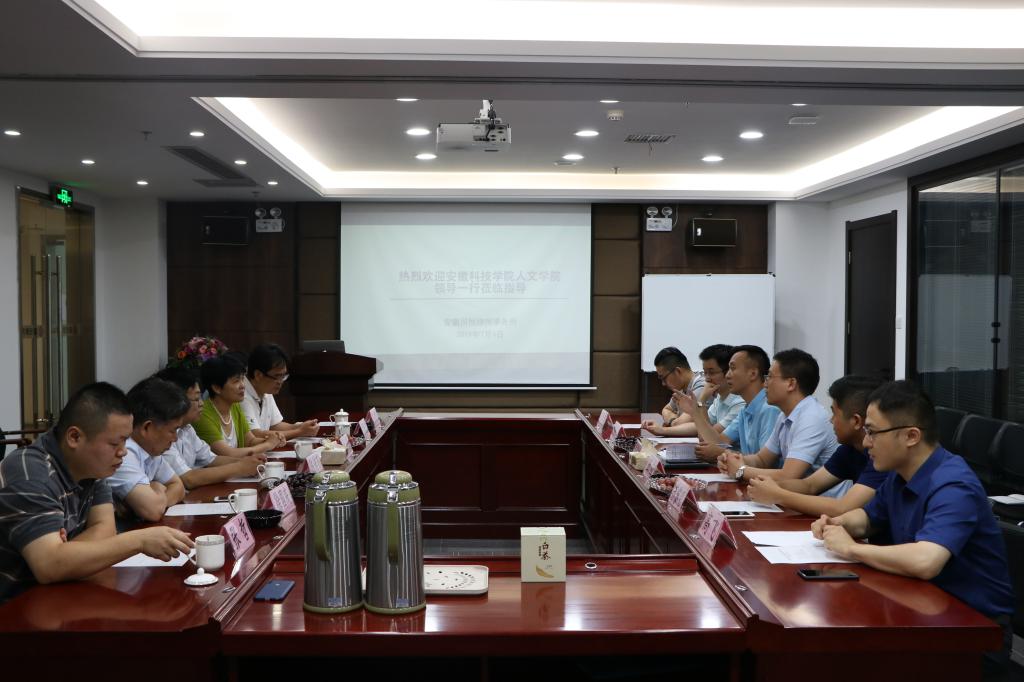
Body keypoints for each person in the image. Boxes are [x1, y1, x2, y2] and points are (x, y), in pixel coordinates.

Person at [813, 380, 1013, 675]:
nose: (866, 442)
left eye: (873, 432)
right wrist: (837, 523)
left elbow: (925, 561)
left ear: (911, 436)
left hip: (971, 634)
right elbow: (868, 518)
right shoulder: (900, 474)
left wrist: (851, 549)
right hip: (920, 607)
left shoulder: (954, 485)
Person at [0, 382, 194, 603]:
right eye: (115, 443)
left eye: (125, 441)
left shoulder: (94, 466)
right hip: (15, 605)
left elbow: (105, 529)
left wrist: (64, 552)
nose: (123, 452)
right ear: (74, 437)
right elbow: (49, 566)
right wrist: (139, 541)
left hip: (62, 591)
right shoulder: (30, 474)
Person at [748, 374, 887, 515]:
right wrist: (767, 485)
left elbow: (842, 508)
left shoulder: (882, 457)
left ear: (856, 421)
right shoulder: (849, 449)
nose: (831, 420)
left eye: (834, 413)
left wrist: (778, 495)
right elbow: (810, 485)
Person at [714, 349, 840, 491]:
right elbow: (762, 459)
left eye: (770, 377)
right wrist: (734, 460)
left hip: (819, 503)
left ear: (791, 384)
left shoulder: (811, 418)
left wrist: (741, 470)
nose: (765, 384)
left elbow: (788, 476)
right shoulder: (785, 415)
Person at [154, 367, 263, 489]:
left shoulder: (188, 428)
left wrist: (248, 462)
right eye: (196, 399)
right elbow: (188, 479)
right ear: (175, 401)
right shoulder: (161, 434)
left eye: (200, 397)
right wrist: (239, 467)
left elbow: (211, 459)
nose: (201, 403)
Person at [675, 345, 781, 462]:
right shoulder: (746, 409)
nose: (727, 375)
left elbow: (764, 463)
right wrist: (696, 412)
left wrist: (724, 453)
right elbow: (718, 442)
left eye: (732, 369)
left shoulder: (770, 409)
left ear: (753, 374)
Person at [108, 377, 189, 521]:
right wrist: (157, 488)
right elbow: (152, 511)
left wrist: (157, 497)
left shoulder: (150, 451)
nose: (175, 438)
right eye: (172, 430)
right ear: (147, 427)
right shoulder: (123, 452)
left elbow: (179, 487)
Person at [194, 354, 285, 458]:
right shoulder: (202, 414)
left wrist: (271, 439)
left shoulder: (234, 406)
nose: (242, 385)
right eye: (236, 381)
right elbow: (229, 454)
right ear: (216, 388)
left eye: (242, 379)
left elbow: (250, 441)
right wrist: (268, 444)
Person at [644, 344, 743, 437]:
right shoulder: (718, 400)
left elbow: (705, 436)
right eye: (705, 372)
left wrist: (701, 401)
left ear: (728, 373)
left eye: (711, 373)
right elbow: (701, 429)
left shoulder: (738, 404)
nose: (707, 378)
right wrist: (662, 430)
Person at [241, 343, 318, 440]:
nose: (280, 382)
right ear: (258, 375)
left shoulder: (264, 388)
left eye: (283, 376)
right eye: (277, 376)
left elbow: (275, 425)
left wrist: (299, 426)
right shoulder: (241, 394)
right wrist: (299, 432)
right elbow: (255, 435)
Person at [642, 347, 705, 435]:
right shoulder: (682, 388)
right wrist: (673, 421)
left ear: (677, 371)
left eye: (664, 378)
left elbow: (681, 424)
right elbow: (666, 409)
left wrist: (672, 424)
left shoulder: (701, 386)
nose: (663, 384)